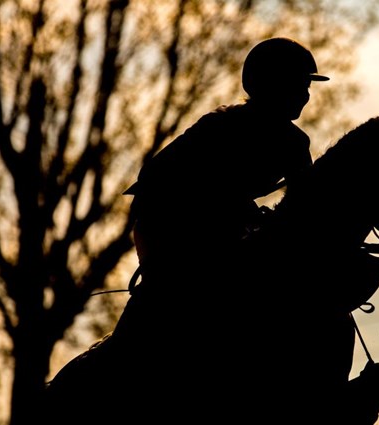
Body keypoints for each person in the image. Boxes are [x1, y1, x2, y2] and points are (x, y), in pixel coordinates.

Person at [125, 36, 329, 286]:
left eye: (306, 87)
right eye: (298, 86)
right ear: (273, 85)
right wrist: (243, 213)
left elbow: (308, 202)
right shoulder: (219, 128)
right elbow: (154, 180)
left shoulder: (295, 142)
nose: (305, 95)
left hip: (217, 230)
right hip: (166, 229)